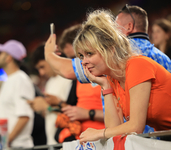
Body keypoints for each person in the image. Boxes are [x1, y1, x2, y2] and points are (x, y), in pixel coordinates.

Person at [45, 9, 171, 143]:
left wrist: (99, 133)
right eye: (81, 56)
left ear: (110, 50)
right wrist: (105, 86)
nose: (83, 62)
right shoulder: (112, 79)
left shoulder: (136, 65)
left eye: (89, 54)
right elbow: (113, 128)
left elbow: (135, 127)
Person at [45, 24, 105, 134]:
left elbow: (122, 117)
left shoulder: (107, 75)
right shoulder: (82, 78)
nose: (79, 63)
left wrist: (48, 54)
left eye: (76, 57)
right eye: (79, 57)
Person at [0, 40, 35, 149]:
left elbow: (24, 116)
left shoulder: (21, 79)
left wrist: (6, 142)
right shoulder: (10, 80)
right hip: (9, 145)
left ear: (9, 57)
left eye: (1, 53)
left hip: (16, 146)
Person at [29, 44, 73, 145]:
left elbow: (73, 112)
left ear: (51, 58)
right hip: (52, 142)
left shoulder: (69, 79)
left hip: (66, 141)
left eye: (42, 67)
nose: (41, 72)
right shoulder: (50, 82)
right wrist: (40, 108)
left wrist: (47, 107)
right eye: (38, 69)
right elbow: (51, 115)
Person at [116, 4, 171, 72]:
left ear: (129, 27)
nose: (114, 30)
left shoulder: (116, 55)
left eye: (116, 25)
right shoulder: (166, 59)